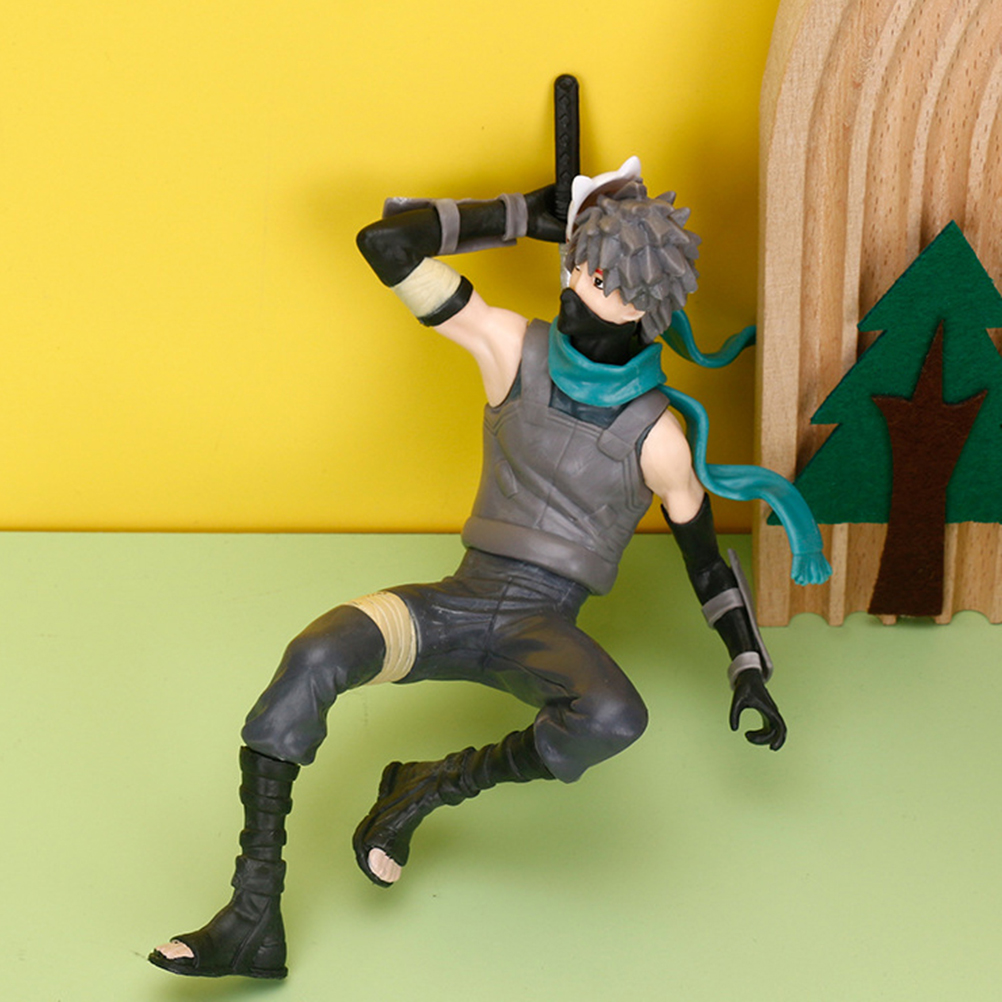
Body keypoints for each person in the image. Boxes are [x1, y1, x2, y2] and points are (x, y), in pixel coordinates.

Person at [149, 160, 827, 980]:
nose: (579, 286)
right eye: (581, 265)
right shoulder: (511, 349)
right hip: (452, 605)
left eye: (603, 279)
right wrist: (517, 214)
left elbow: (706, 561)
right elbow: (386, 244)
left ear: (643, 306)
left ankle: (431, 786)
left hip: (539, 629)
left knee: (614, 716)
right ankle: (253, 913)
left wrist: (747, 666)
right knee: (316, 653)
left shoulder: (658, 440)